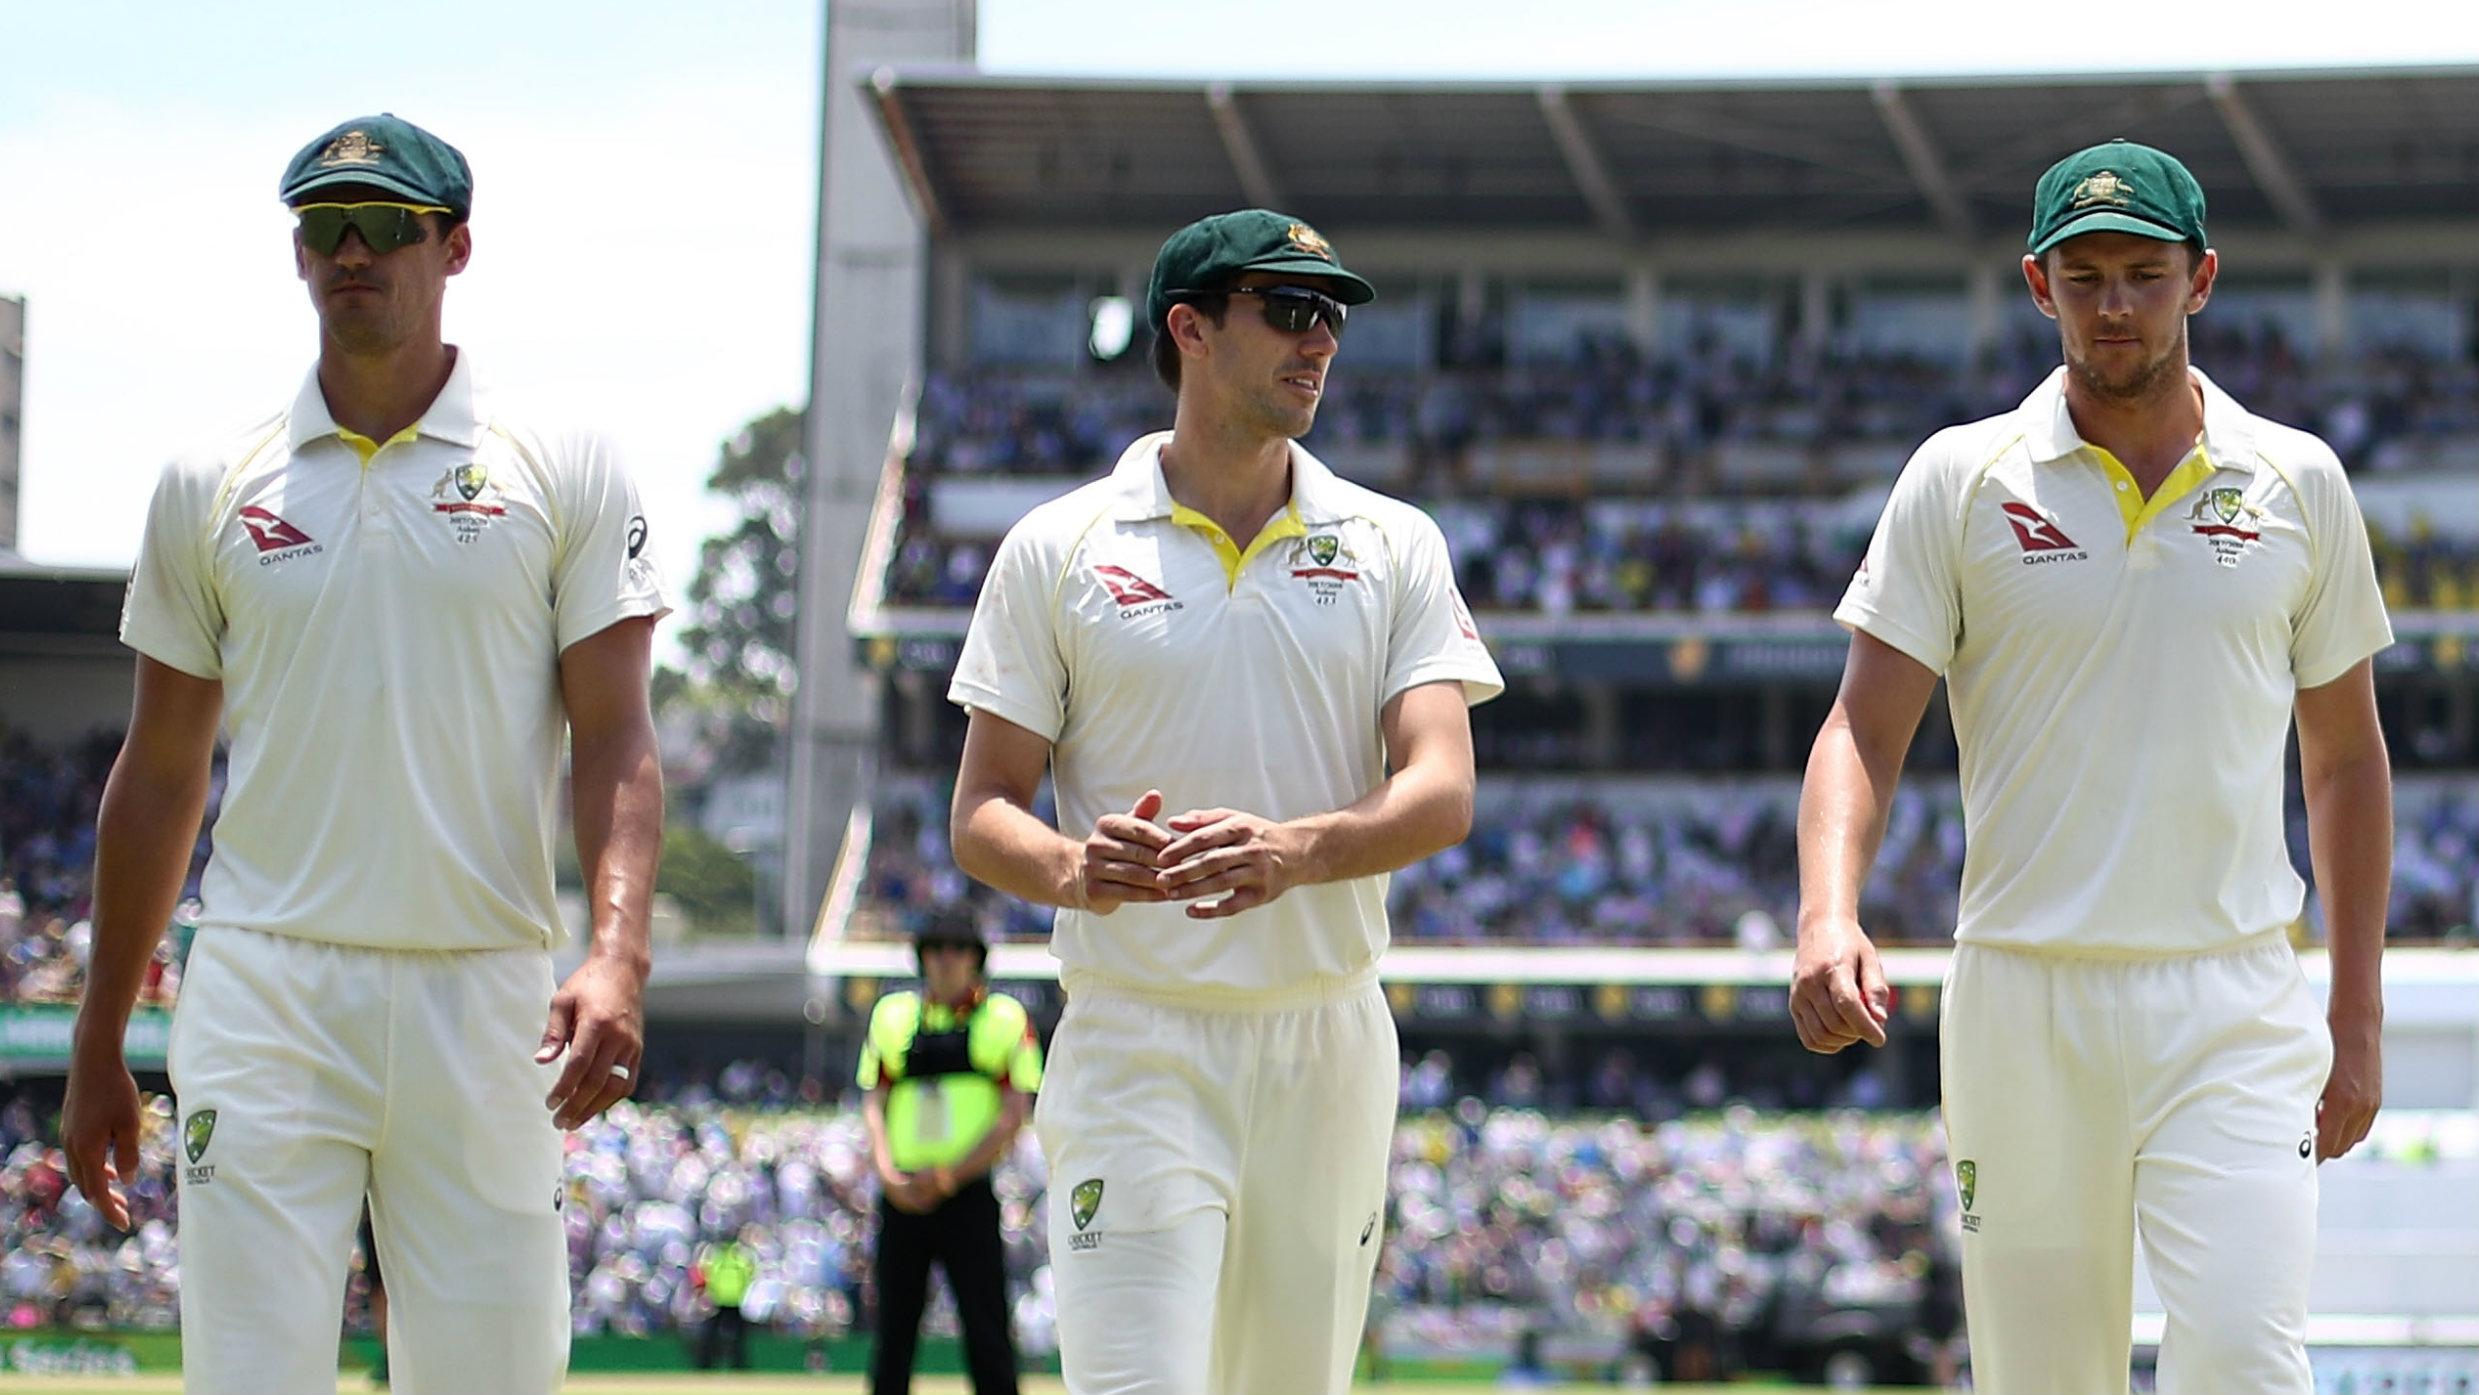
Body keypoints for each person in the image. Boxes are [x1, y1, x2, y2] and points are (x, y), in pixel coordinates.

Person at [60, 113, 667, 1395]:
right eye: (325, 227)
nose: (352, 252)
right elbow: (160, 773)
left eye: (386, 227)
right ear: (296, 255)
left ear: (454, 249)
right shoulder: (209, 478)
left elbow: (615, 737)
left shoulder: (560, 463)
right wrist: (100, 1034)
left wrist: (615, 951)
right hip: (267, 988)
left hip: (488, 995)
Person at [1792, 138, 2393, 1395]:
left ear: (2201, 279)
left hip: (2231, 997)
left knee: (2242, 1356)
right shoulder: (1960, 479)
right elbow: (1862, 728)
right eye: (2084, 276)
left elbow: (2343, 763)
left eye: (2143, 273)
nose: (2113, 303)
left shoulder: (2298, 481)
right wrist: (1826, 912)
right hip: (2023, 999)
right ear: (2036, 285)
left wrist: (2354, 1014)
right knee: (2043, 1378)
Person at [947, 209, 1504, 1395]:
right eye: (1290, 312)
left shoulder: (1394, 543)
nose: (1322, 344)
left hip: (1329, 1045)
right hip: (1135, 1037)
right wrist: (1068, 869)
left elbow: (1443, 789)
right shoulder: (1058, 547)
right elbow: (983, 809)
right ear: (1188, 328)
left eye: (1333, 317)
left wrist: (1295, 851)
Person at [858, 916, 1043, 1395]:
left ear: (976, 959)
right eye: (935, 948)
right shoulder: (891, 1015)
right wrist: (887, 1173)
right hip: (902, 1195)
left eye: (958, 949)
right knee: (892, 1336)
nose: (945, 959)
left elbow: (1013, 1112)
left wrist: (951, 1176)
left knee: (986, 1332)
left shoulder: (1005, 1018)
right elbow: (874, 1099)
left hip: (968, 1194)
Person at [693, 1225, 761, 1371]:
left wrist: (706, 1292)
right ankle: (727, 1364)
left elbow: (704, 1272)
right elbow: (750, 1273)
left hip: (727, 1301)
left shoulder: (718, 1254)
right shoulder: (736, 1255)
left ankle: (715, 1364)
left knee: (726, 1336)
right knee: (728, 1336)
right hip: (725, 1301)